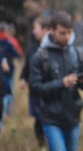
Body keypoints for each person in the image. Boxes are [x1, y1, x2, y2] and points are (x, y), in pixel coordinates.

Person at [29, 11, 83, 151]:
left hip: (73, 118)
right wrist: (61, 83)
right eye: (62, 33)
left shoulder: (77, 53)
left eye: (70, 32)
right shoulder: (40, 56)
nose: (67, 37)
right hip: (51, 120)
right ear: (52, 30)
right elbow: (34, 88)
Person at [19, 17, 50, 150]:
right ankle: (41, 145)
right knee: (38, 117)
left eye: (35, 28)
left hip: (49, 89)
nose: (33, 31)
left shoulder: (52, 46)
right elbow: (27, 64)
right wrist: (22, 77)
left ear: (45, 30)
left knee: (48, 117)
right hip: (35, 89)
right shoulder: (32, 45)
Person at [0, 22, 23, 128]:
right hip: (8, 71)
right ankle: (7, 113)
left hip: (4, 71)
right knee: (8, 91)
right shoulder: (10, 41)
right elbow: (18, 53)